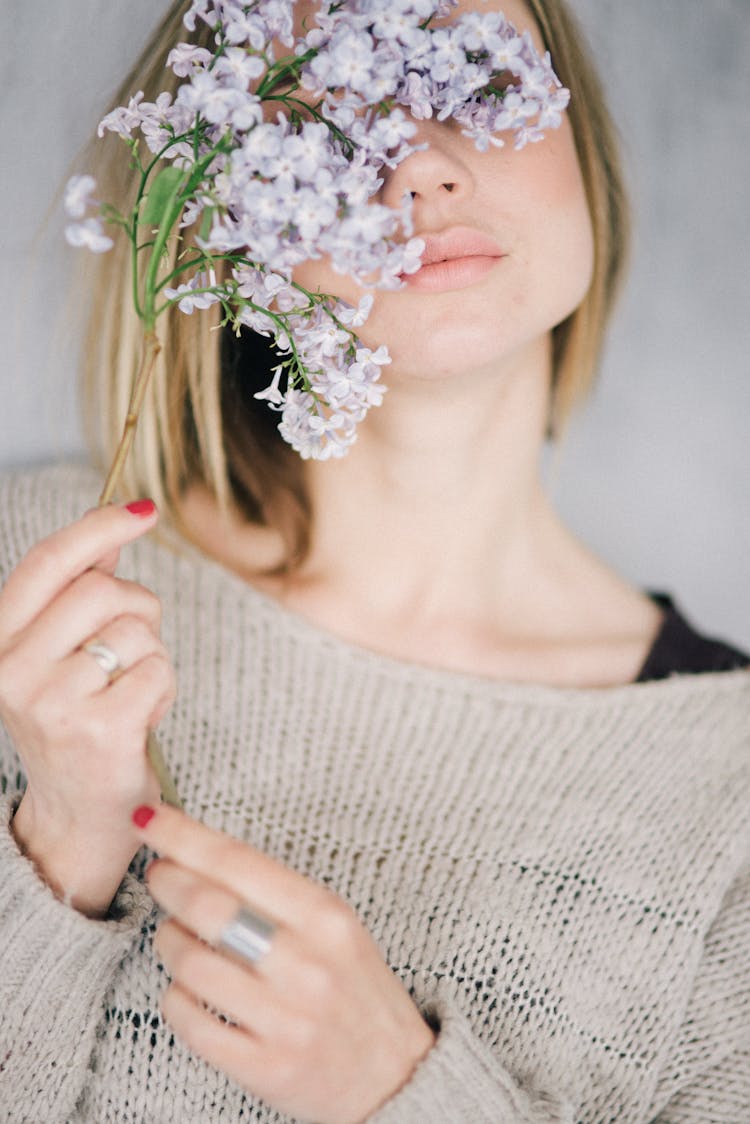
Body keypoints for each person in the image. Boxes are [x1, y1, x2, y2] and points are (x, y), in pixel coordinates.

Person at [0, 0, 747, 1121]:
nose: (422, 166)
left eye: (479, 80)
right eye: (326, 103)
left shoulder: (726, 793)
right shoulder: (41, 592)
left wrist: (402, 1087)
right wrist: (55, 849)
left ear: (579, 142)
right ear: (222, 218)